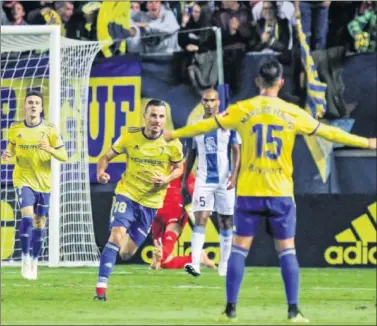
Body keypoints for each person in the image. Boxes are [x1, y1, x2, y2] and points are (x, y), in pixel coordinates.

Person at [164, 59, 377, 322]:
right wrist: (365, 142)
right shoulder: (291, 111)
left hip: (250, 193)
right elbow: (329, 133)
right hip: (280, 193)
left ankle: (230, 310)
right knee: (287, 251)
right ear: (281, 82)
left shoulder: (243, 109)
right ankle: (293, 311)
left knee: (240, 250)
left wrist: (175, 134)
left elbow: (205, 125)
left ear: (257, 82)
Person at [94, 99, 184, 301]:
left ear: (165, 119)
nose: (157, 120)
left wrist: (167, 178)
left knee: (126, 253)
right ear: (145, 116)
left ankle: (115, 246)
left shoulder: (173, 143)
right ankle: (101, 288)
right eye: (153, 115)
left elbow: (180, 167)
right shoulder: (129, 135)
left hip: (151, 203)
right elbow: (105, 157)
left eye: (161, 116)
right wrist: (101, 173)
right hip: (127, 193)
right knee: (117, 234)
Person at [1, 90, 67, 280]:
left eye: (37, 103)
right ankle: (24, 257)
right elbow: (11, 149)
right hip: (23, 179)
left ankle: (35, 261)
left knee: (39, 223)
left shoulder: (50, 129)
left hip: (44, 183)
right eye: (30, 102)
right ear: (24, 106)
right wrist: (7, 155)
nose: (33, 105)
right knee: (27, 217)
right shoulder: (15, 128)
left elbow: (64, 156)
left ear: (41, 107)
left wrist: (50, 149)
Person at [182, 89, 241, 277]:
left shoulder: (229, 123)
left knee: (226, 221)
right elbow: (192, 153)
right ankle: (195, 264)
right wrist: (185, 178)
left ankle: (224, 265)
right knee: (201, 218)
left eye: (212, 100)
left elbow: (237, 151)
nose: (208, 104)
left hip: (225, 180)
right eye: (205, 100)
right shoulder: (196, 125)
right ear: (202, 102)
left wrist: (234, 176)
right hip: (203, 179)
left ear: (218, 102)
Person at [150, 168, 215, 270]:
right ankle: (198, 258)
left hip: (175, 209)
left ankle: (198, 258)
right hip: (156, 210)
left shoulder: (182, 167)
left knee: (163, 255)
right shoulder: (157, 164)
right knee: (165, 262)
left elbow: (191, 188)